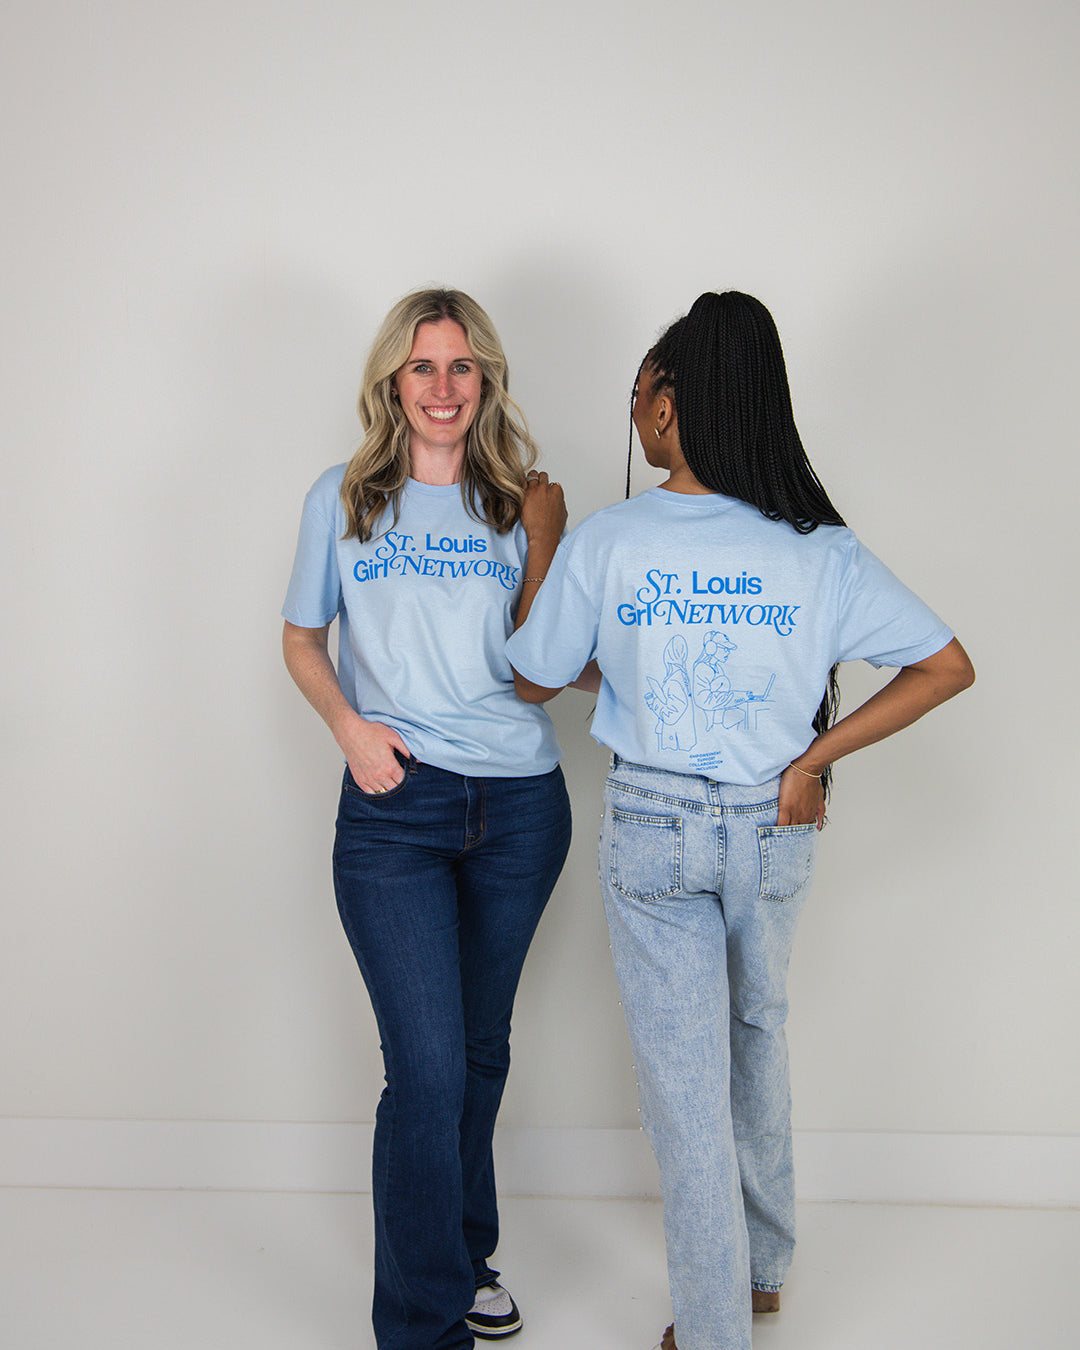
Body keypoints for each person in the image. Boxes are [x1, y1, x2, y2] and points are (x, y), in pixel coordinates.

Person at [505, 291, 974, 1350]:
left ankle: (715, 1332)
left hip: (656, 828)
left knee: (684, 1087)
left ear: (677, 406)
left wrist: (544, 540)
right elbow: (947, 665)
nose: (633, 416)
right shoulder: (818, 546)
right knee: (756, 1038)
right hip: (776, 826)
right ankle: (761, 1270)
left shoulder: (611, 539)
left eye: (640, 395)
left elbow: (532, 678)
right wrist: (814, 756)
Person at [282, 288, 574, 1350]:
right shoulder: (347, 498)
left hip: (518, 809)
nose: (443, 388)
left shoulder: (517, 502)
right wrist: (352, 732)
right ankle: (420, 1321)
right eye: (422, 368)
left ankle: (462, 1258)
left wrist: (546, 538)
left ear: (485, 379)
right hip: (394, 812)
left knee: (481, 1052)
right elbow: (304, 640)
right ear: (390, 384)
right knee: (429, 1066)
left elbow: (546, 670)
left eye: (461, 367)